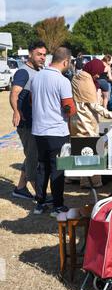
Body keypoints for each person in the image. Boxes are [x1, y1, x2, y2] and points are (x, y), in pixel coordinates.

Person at [31, 47, 76, 217]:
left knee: (42, 167)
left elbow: (31, 101)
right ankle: (57, 205)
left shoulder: (37, 77)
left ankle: (40, 203)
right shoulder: (62, 80)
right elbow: (68, 107)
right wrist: (73, 112)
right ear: (65, 61)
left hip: (39, 130)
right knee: (58, 168)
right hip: (56, 130)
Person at [10, 41, 47, 200]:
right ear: (30, 53)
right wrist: (16, 111)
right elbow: (14, 93)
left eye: (44, 54)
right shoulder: (23, 72)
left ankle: (20, 188)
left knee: (31, 154)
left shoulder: (38, 71)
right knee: (33, 157)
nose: (43, 58)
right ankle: (40, 195)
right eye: (39, 54)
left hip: (36, 122)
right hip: (26, 123)